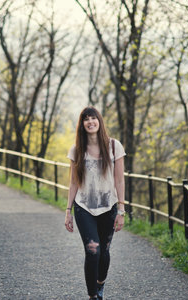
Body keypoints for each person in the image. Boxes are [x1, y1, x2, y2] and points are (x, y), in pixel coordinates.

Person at [64, 106, 126, 300]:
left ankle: (100, 284)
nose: (90, 122)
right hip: (84, 208)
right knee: (93, 251)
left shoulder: (114, 146)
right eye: (86, 119)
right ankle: (93, 296)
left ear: (99, 121)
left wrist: (121, 210)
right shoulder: (76, 151)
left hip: (109, 207)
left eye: (94, 118)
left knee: (104, 253)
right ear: (82, 125)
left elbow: (119, 180)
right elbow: (74, 182)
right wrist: (68, 211)